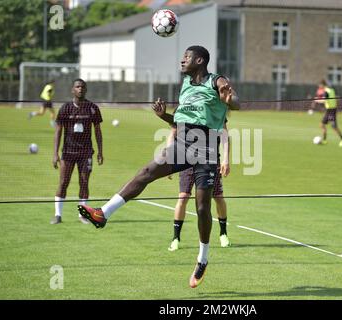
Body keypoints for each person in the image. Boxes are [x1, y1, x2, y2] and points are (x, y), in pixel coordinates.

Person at [78, 45, 240, 288]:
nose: (182, 60)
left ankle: (202, 259)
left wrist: (231, 101)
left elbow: (235, 101)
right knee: (146, 172)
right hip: (183, 144)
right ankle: (103, 214)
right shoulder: (185, 85)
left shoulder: (216, 81)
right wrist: (164, 116)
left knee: (203, 207)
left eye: (187, 57)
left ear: (199, 60)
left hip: (206, 149)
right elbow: (180, 120)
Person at [168, 121, 231, 252]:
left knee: (218, 197)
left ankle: (223, 233)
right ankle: (176, 238)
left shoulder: (215, 109)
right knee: (183, 197)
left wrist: (226, 159)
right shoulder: (184, 109)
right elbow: (172, 134)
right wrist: (170, 159)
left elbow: (224, 134)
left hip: (210, 160)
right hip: (187, 161)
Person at [51, 79, 103, 225]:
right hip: (68, 152)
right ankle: (57, 215)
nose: (80, 89)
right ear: (72, 90)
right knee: (63, 182)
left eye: (82, 87)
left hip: (86, 152)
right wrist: (55, 153)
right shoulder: (66, 108)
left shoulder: (92, 108)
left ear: (86, 90)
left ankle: (82, 215)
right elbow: (58, 131)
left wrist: (100, 151)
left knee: (84, 182)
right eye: (77, 87)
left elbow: (98, 131)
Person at [315, 79, 342, 147]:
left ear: (322, 85)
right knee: (322, 125)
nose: (319, 86)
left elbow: (323, 100)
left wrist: (317, 100)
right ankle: (325, 140)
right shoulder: (331, 90)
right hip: (329, 110)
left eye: (320, 85)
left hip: (331, 111)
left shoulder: (326, 91)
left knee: (334, 126)